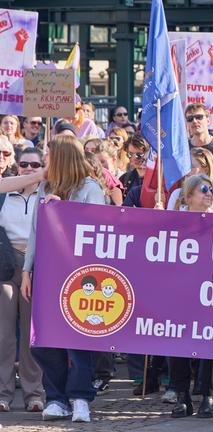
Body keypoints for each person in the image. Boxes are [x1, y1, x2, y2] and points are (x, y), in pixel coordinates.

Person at [21, 135, 106, 422]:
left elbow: (97, 229)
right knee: (44, 340)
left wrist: (62, 211)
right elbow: (35, 231)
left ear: (61, 158)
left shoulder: (90, 187)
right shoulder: (45, 186)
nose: (44, 160)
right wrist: (26, 270)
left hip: (81, 276)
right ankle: (56, 398)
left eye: (48, 155)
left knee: (77, 339)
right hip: (46, 272)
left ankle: (80, 397)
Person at [164, 175, 213, 420]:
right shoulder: (174, 222)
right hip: (180, 291)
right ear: (188, 196)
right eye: (203, 190)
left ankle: (210, 396)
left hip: (212, 292)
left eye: (212, 189)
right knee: (177, 342)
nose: (209, 193)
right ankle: (181, 395)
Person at [0, 148, 45, 413]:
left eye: (35, 165)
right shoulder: (7, 192)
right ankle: (3, 394)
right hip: (6, 265)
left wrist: (44, 180)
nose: (28, 168)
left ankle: (34, 394)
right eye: (24, 164)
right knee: (4, 335)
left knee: (30, 335)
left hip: (36, 265)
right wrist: (36, 175)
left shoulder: (46, 194)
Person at [119, 135, 149, 199]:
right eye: (130, 154)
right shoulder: (124, 178)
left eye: (139, 155)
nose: (134, 158)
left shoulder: (157, 180)